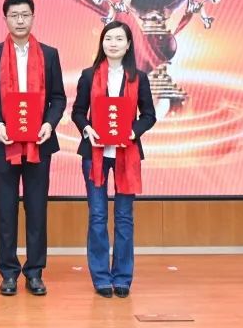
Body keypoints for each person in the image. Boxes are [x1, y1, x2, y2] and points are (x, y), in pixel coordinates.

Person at [0, 0, 66, 297]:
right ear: (5, 19)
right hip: (5, 143)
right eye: (14, 15)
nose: (20, 20)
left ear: (33, 17)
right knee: (6, 209)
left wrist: (49, 124)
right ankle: (9, 273)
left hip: (40, 142)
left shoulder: (49, 55)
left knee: (37, 208)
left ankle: (35, 272)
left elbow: (58, 98)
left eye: (25, 14)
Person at [71, 20, 157, 298]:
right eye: (109, 38)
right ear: (102, 43)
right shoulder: (89, 75)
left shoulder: (139, 78)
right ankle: (101, 278)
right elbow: (78, 112)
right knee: (97, 216)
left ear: (129, 44)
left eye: (119, 39)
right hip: (95, 153)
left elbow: (149, 115)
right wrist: (88, 129)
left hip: (126, 153)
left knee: (124, 217)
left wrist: (132, 132)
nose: (113, 43)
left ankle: (122, 277)